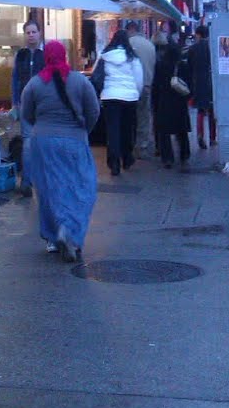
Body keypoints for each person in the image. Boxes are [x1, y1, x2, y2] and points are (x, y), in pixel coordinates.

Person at [21, 39, 100, 261]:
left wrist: (41, 124)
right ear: (65, 56)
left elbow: (26, 113)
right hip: (74, 140)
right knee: (79, 187)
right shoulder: (80, 81)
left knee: (48, 190)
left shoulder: (35, 84)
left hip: (43, 142)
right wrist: (84, 131)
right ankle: (71, 231)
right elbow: (93, 110)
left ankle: (53, 237)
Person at [92, 28, 143, 175]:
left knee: (112, 130)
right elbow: (138, 79)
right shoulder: (132, 57)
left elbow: (97, 76)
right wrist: (136, 93)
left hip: (110, 97)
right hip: (129, 98)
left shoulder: (105, 56)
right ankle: (127, 158)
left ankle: (113, 163)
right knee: (127, 129)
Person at [10, 19, 45, 197]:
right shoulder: (21, 55)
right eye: (28, 32)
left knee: (42, 142)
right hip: (25, 104)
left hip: (43, 105)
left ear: (40, 33)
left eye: (33, 32)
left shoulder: (44, 54)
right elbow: (15, 78)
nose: (31, 35)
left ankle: (42, 179)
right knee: (28, 142)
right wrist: (14, 101)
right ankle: (26, 181)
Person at [153, 31, 191, 168]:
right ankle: (184, 154)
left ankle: (167, 157)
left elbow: (156, 84)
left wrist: (155, 102)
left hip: (165, 101)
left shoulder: (160, 65)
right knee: (181, 131)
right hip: (179, 102)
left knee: (164, 132)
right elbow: (189, 84)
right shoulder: (183, 66)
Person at [126, 20, 156, 157]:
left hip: (130, 86)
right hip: (147, 85)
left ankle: (130, 143)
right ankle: (142, 144)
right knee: (144, 116)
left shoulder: (128, 44)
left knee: (130, 116)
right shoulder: (150, 44)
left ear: (129, 30)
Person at [187, 24, 217, 148]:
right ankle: (212, 138)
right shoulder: (212, 47)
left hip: (198, 82)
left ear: (198, 35)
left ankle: (200, 134)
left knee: (200, 110)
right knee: (212, 111)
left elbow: (189, 66)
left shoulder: (193, 49)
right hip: (211, 81)